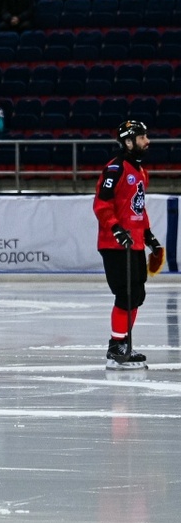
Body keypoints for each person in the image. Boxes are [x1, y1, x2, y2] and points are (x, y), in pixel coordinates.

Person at [93, 120, 157, 370]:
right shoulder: (115, 169)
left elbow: (138, 208)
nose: (147, 141)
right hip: (115, 244)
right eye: (142, 137)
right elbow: (101, 204)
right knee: (125, 294)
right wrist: (116, 229)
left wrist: (149, 235)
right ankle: (116, 347)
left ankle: (124, 343)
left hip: (135, 243)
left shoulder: (140, 171)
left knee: (136, 295)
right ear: (128, 142)